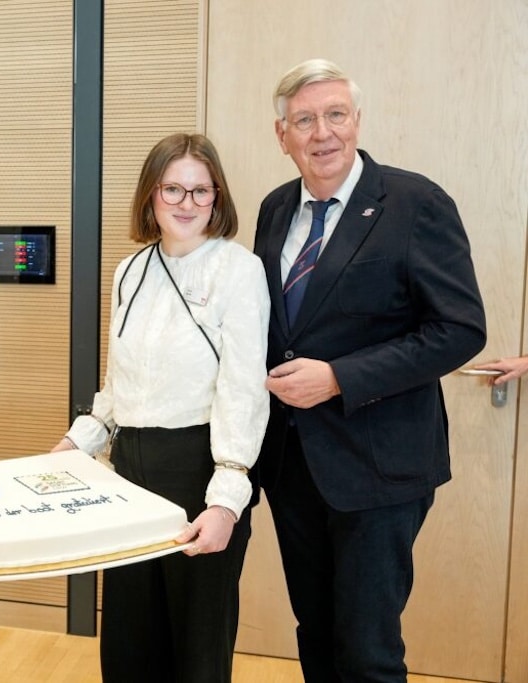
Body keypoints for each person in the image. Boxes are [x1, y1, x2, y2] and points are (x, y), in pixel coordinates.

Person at [254, 58, 486, 681]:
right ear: (283, 136)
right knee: (317, 633)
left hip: (380, 468)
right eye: (304, 120)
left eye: (335, 115)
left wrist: (339, 378)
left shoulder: (415, 203)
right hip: (295, 465)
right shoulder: (276, 209)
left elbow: (459, 329)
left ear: (357, 121)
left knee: (367, 649)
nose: (321, 132)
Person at [53, 133, 270, 682]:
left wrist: (227, 500)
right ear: (151, 195)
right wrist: (79, 441)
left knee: (196, 648)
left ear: (217, 198)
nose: (187, 203)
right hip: (130, 472)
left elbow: (243, 390)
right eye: (173, 188)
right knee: (130, 641)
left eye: (201, 191)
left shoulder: (238, 270)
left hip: (201, 467)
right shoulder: (131, 269)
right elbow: (118, 382)